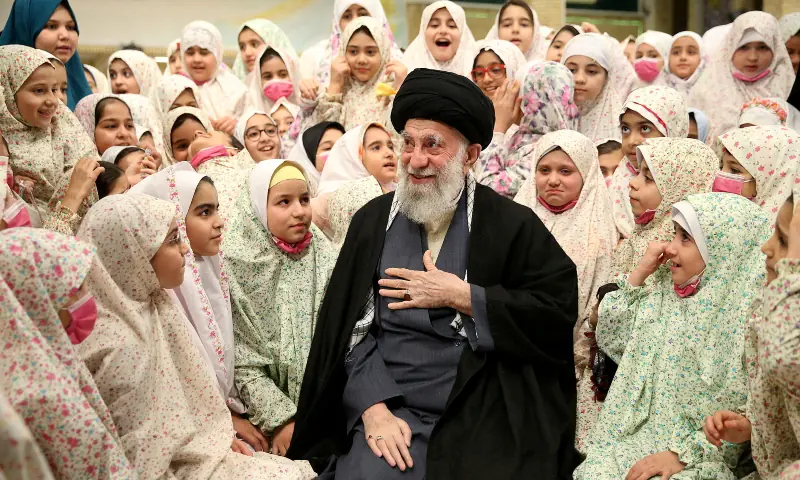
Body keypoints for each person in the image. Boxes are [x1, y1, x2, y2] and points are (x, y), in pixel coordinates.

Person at [287, 68, 579, 479]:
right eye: (407, 143)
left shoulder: (511, 224)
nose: (416, 160)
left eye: (432, 145)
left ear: (471, 155)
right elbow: (348, 335)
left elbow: (554, 310)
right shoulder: (372, 223)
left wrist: (464, 296)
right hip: (392, 405)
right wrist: (373, 411)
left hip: (481, 402)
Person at [76, 193, 317, 479]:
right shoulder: (116, 346)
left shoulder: (149, 303)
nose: (184, 248)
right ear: (131, 253)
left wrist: (216, 438)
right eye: (172, 240)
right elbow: (144, 458)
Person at [576, 193, 771, 480]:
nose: (670, 247)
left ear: (723, 249)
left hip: (705, 456)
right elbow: (613, 337)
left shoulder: (747, 319)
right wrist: (641, 272)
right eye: (674, 234)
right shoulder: (664, 292)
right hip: (638, 435)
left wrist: (685, 453)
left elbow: (743, 420)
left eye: (686, 239)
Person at [0, 228, 136, 478]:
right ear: (35, 297)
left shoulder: (54, 359)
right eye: (76, 287)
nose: (87, 296)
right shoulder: (39, 395)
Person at [513, 129, 618, 453]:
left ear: (586, 174)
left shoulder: (599, 232)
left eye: (566, 171)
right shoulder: (516, 220)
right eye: (544, 171)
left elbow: (595, 301)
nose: (553, 180)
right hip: (513, 349)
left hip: (566, 364)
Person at [224, 160, 338, 457]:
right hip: (264, 416)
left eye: (303, 199)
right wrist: (281, 419)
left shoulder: (322, 251)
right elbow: (243, 361)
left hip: (329, 400)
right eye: (283, 202)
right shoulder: (238, 263)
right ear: (258, 208)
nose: (299, 211)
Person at [704, 193, 800, 479]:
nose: (765, 247)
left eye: (783, 240)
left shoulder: (786, 310)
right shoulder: (772, 301)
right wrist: (753, 427)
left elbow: (782, 360)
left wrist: (792, 265)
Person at [0, 45, 101, 234]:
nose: (53, 100)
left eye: (55, 89)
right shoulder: (2, 148)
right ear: (6, 92)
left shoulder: (63, 125)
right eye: (39, 90)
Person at [611, 137, 716, 278]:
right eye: (638, 173)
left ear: (679, 189)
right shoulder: (642, 234)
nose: (633, 182)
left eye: (648, 178)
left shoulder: (672, 254)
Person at [477, 60, 579, 198]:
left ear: (528, 101)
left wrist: (497, 128)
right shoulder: (518, 136)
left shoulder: (551, 151)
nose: (508, 100)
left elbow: (487, 190)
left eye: (514, 94)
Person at [690, 11, 794, 140]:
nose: (752, 57)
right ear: (730, 47)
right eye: (744, 47)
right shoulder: (707, 89)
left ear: (775, 49)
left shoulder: (790, 88)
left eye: (762, 47)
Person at [607, 85, 689, 239]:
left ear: (672, 131)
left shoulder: (690, 182)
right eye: (625, 129)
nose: (631, 141)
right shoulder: (619, 179)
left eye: (645, 128)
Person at [312, 17, 403, 132]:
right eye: (353, 52)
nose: (361, 60)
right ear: (343, 52)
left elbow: (400, 135)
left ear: (383, 54)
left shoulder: (391, 90)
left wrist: (400, 90)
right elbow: (324, 135)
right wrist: (334, 85)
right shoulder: (336, 92)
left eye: (370, 52)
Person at [312, 122, 397, 244]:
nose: (389, 153)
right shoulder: (332, 198)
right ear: (354, 156)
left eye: (390, 147)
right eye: (376, 147)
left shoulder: (401, 192)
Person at [0, 0, 93, 109]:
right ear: (25, 29)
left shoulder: (81, 91)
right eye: (51, 26)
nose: (65, 35)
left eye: (70, 27)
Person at [713, 125, 800, 224]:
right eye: (721, 166)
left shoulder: (783, 232)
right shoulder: (719, 213)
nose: (721, 175)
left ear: (768, 178)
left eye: (734, 170)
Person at [180, 21, 251, 135]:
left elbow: (253, 126)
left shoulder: (236, 89)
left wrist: (238, 126)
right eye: (190, 52)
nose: (196, 59)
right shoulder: (173, 88)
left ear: (217, 54)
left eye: (204, 52)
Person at [561, 33, 624, 141]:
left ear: (607, 78)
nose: (579, 79)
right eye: (571, 70)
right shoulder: (549, 117)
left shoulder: (620, 126)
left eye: (591, 71)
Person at [402, 1, 477, 77]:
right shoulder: (404, 72)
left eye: (452, 26)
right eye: (435, 25)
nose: (443, 31)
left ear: (463, 35)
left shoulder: (479, 74)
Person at [287, 121, 345, 195]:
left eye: (342, 146)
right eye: (328, 148)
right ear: (309, 157)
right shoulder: (301, 198)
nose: (337, 152)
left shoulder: (360, 183)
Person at [74, 93, 138, 155]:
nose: (124, 134)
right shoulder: (79, 166)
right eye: (111, 126)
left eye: (129, 126)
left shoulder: (145, 161)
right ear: (88, 130)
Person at [659, 31, 705, 100]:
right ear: (667, 58)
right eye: (676, 52)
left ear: (701, 58)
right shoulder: (657, 90)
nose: (683, 57)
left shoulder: (710, 90)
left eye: (691, 52)